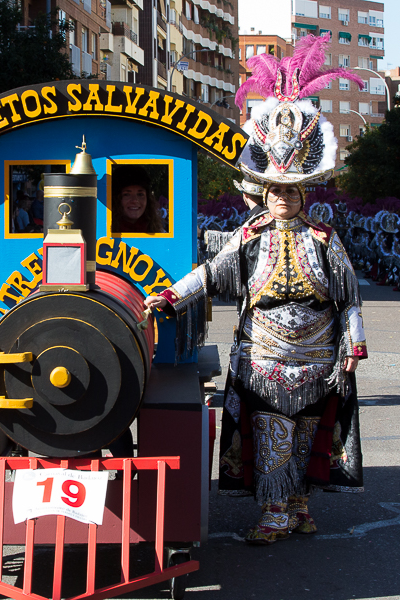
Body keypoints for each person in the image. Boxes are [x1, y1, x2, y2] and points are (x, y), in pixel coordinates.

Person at [146, 37, 366, 544]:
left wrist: (353, 342)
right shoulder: (249, 236)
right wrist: (168, 298)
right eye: (276, 191)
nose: (284, 199)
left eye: (292, 191)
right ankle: (272, 511)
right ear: (264, 192)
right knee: (270, 432)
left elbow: (349, 294)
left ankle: (299, 505)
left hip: (318, 354)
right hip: (263, 352)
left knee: (311, 431)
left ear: (303, 192)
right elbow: (208, 272)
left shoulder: (325, 239)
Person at [111, 165, 164, 234]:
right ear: (116, 199)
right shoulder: (100, 232)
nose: (135, 200)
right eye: (127, 194)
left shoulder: (160, 233)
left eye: (140, 194)